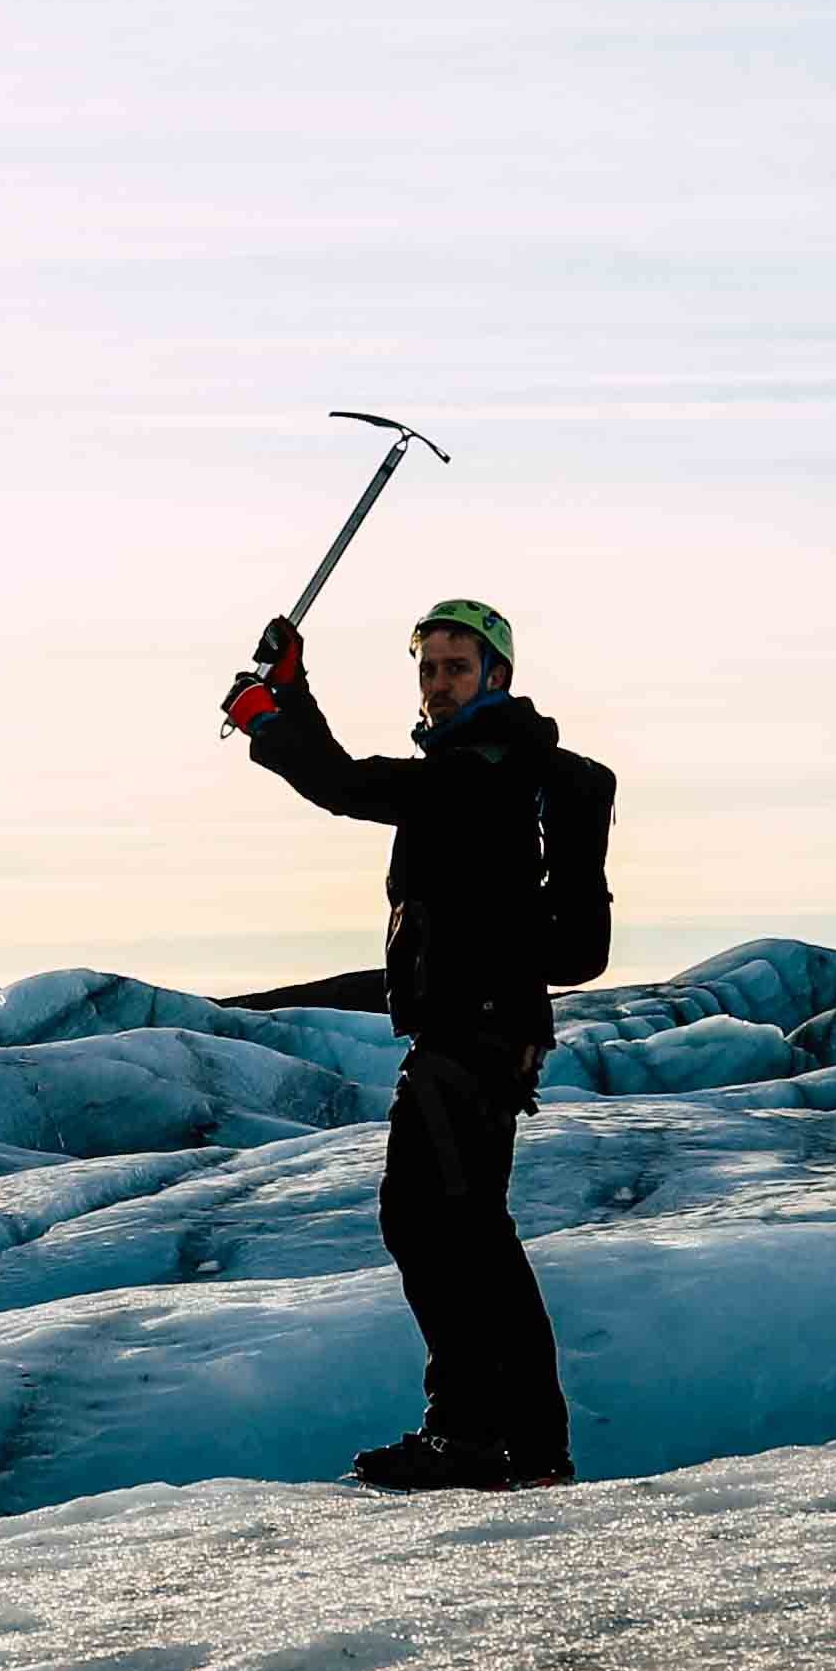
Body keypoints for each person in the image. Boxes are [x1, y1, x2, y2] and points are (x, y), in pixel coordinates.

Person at [231, 597, 618, 1489]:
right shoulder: (494, 771)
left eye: (455, 668)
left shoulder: (477, 774)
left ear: (498, 677)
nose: (438, 685)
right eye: (428, 669)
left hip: (469, 1037)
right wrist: (293, 693)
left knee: (432, 1224)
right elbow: (365, 779)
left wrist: (268, 721)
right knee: (471, 1232)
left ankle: (473, 1436)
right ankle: (525, 1441)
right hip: (487, 1033)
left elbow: (348, 786)